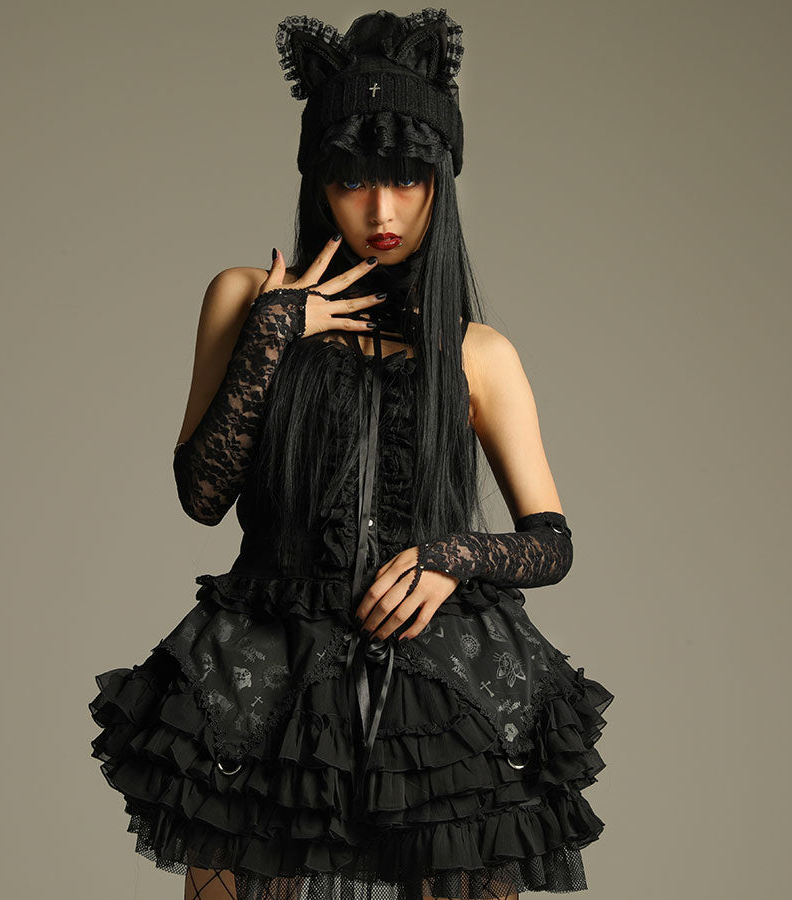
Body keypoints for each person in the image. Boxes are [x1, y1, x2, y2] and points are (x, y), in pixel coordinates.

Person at [89, 10, 614, 900]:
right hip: (268, 674)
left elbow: (551, 542)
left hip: (444, 689)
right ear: (317, 186)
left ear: (441, 181)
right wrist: (273, 334)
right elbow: (202, 495)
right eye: (352, 180)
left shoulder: (478, 351)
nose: (381, 211)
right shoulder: (248, 299)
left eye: (407, 179)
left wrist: (451, 556)